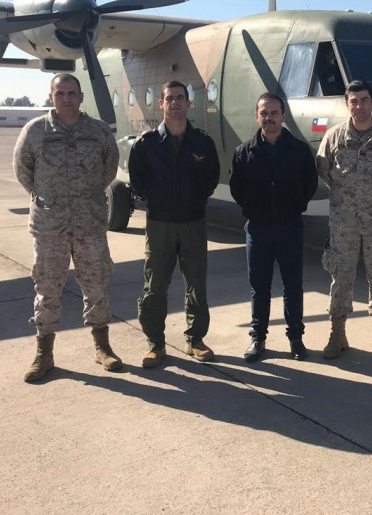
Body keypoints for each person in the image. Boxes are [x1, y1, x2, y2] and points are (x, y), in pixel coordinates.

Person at [13, 73, 121, 383]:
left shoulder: (98, 132)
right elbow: (23, 171)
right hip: (50, 226)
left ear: (81, 97)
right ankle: (44, 354)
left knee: (96, 286)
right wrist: (50, 198)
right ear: (51, 96)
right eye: (60, 93)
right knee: (47, 289)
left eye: (72, 93)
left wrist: (83, 198)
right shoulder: (35, 132)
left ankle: (102, 348)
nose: (67, 98)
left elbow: (108, 169)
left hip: (89, 225)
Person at [129, 81, 221, 368]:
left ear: (188, 103)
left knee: (196, 283)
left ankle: (195, 339)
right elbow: (137, 181)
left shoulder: (203, 143)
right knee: (155, 286)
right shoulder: (146, 144)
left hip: (193, 222)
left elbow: (211, 179)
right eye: (170, 98)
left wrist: (191, 201)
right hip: (159, 225)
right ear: (161, 104)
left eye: (180, 98)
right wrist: (160, 203)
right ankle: (155, 343)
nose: (175, 103)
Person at [316, 80, 372, 359]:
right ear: (347, 104)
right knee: (340, 278)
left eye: (364, 100)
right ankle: (337, 333)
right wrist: (349, 199)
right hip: (343, 223)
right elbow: (324, 169)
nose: (359, 106)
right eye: (354, 101)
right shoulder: (334, 137)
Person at [230, 93, 318, 362]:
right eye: (263, 113)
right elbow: (238, 188)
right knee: (260, 287)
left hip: (290, 226)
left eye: (274, 113)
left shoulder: (299, 150)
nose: (268, 118)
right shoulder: (244, 152)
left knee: (293, 285)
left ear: (283, 116)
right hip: (258, 228)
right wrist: (254, 210)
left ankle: (296, 338)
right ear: (257, 116)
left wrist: (294, 207)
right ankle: (258, 339)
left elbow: (309, 184)